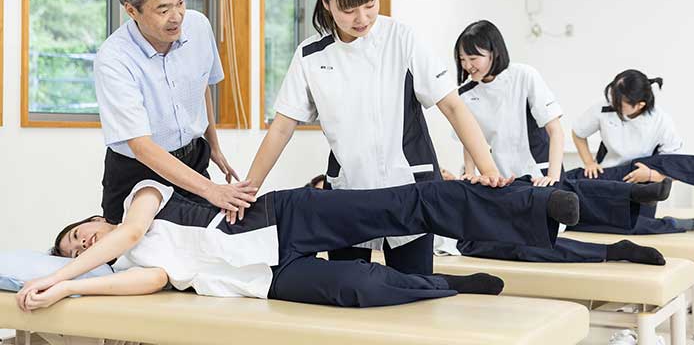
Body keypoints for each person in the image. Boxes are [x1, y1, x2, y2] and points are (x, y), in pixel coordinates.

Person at [244, 0, 512, 276]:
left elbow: (453, 106)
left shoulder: (401, 38)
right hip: (348, 195)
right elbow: (282, 128)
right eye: (348, 9)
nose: (362, 18)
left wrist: (488, 170)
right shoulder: (310, 55)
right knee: (349, 293)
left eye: (370, 4)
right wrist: (248, 191)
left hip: (409, 190)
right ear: (325, 2)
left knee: (416, 290)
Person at [15, 179, 580, 311]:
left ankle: (535, 206)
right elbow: (155, 279)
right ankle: (447, 283)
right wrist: (74, 289)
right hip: (261, 279)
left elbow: (131, 232)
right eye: (73, 252)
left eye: (78, 235)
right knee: (358, 288)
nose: (81, 246)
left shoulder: (140, 199)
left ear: (95, 218)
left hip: (283, 219)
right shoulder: (131, 265)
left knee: (401, 206)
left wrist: (59, 277)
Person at [436, 21, 667, 265]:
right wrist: (470, 174)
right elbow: (470, 140)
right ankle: (628, 211)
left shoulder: (523, 76)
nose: (467, 66)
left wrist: (553, 176)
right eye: (462, 59)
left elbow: (555, 130)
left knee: (570, 190)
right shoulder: (466, 93)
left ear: (494, 52)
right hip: (502, 183)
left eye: (473, 58)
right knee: (546, 218)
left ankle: (635, 195)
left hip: (538, 174)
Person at [94, 0, 253, 225]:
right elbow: (142, 147)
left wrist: (214, 147)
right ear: (131, 10)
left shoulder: (198, 26)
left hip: (192, 160)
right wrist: (211, 190)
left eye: (180, 2)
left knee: (208, 238)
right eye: (163, 9)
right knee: (129, 246)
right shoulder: (114, 58)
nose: (176, 16)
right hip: (138, 170)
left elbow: (200, 87)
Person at [570, 69, 694, 234]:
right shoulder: (603, 106)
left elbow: (675, 168)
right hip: (608, 175)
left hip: (643, 184)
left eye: (619, 102)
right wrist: (589, 162)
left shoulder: (660, 121)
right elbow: (578, 133)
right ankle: (672, 222)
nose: (613, 103)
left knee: (652, 163)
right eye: (613, 96)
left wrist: (650, 176)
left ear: (640, 105)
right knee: (615, 221)